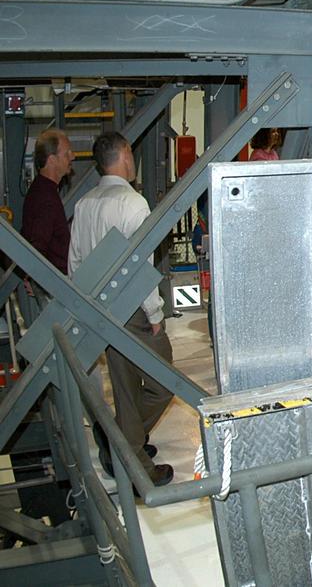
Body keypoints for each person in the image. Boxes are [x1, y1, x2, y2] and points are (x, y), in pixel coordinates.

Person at [69, 132, 173, 486]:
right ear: (125, 155)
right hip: (135, 312)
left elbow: (75, 263)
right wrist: (156, 314)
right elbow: (139, 266)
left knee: (125, 389)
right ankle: (128, 450)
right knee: (163, 384)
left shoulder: (85, 204)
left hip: (101, 310)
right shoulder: (133, 204)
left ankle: (128, 444)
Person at [20, 129, 73, 274]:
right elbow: (38, 246)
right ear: (52, 160)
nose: (72, 157)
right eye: (67, 153)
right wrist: (38, 282)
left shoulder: (40, 190)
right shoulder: (46, 198)